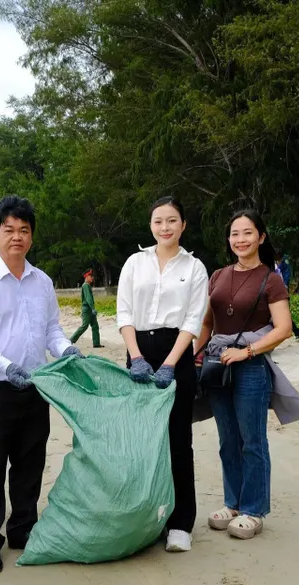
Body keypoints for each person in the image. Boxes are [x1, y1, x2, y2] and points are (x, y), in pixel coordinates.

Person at [0, 195, 81, 574]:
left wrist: (66, 350)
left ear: (31, 237)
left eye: (24, 230)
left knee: (30, 461)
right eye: (9, 230)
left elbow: (50, 330)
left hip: (35, 387)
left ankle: (23, 529)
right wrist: (6, 364)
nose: (17, 237)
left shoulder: (41, 281)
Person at [194, 210, 299, 541]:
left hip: (252, 367)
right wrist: (195, 353)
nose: (241, 239)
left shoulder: (271, 279)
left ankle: (254, 509)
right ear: (229, 240)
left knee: (252, 440)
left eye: (248, 233)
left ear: (261, 237)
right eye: (235, 234)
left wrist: (247, 351)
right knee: (227, 439)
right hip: (217, 365)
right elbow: (208, 322)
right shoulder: (217, 276)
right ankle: (234, 503)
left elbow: (283, 328)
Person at [116, 197, 208, 552]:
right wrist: (136, 357)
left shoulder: (195, 267)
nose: (165, 227)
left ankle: (181, 523)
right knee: (141, 441)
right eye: (158, 221)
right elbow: (124, 312)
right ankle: (145, 518)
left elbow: (192, 319)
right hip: (138, 350)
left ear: (183, 225)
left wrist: (170, 363)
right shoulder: (134, 263)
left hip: (178, 353)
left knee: (176, 441)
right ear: (150, 225)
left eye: (172, 221)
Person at [69, 269, 101, 348]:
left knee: (95, 326)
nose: (92, 278)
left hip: (89, 308)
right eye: (90, 276)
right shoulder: (85, 285)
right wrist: (93, 308)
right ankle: (71, 340)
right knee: (84, 326)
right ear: (86, 277)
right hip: (87, 309)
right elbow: (88, 298)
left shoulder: (87, 285)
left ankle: (96, 343)